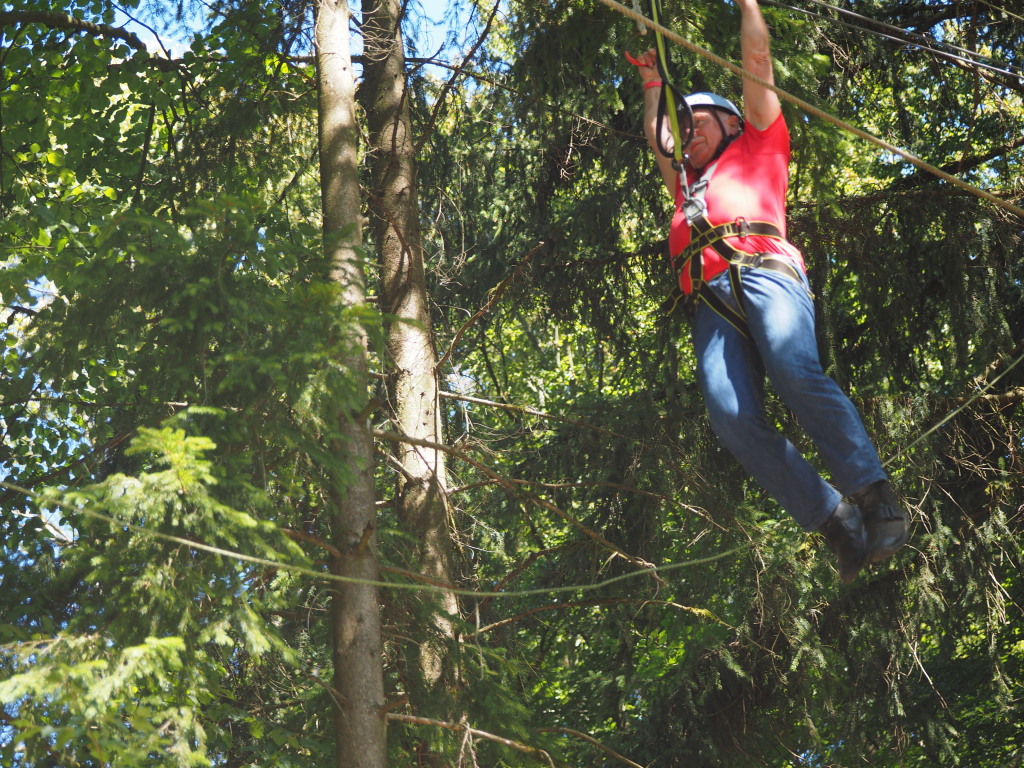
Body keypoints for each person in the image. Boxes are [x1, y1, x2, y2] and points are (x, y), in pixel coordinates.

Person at [629, 0, 908, 584]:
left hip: (764, 272)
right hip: (710, 303)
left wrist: (749, 5)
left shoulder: (761, 144)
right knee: (730, 418)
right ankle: (835, 520)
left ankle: (875, 496)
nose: (687, 134)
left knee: (794, 371)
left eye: (699, 121)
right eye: (684, 127)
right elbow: (659, 140)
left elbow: (757, 60)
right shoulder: (686, 185)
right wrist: (652, 82)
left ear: (732, 122)